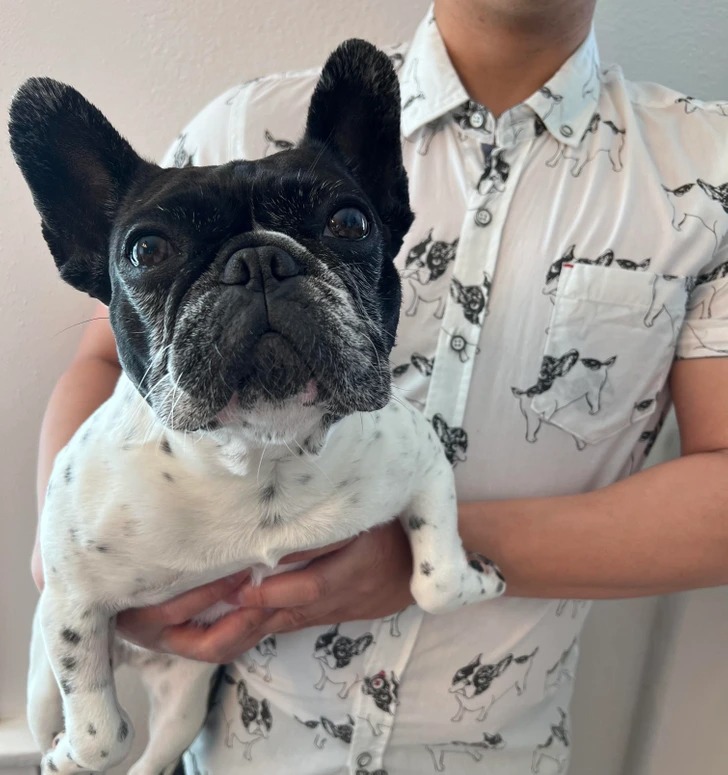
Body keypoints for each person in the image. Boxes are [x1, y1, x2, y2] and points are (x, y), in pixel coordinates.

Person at [32, 0, 728, 772]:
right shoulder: (241, 121)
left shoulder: (706, 170)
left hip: (499, 745)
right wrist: (72, 556)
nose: (260, 279)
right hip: (241, 743)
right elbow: (106, 361)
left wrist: (413, 554)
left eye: (343, 226)